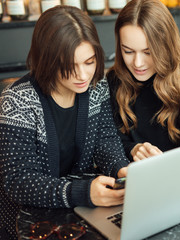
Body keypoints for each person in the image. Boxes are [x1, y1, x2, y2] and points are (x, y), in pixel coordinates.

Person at [0, 6, 130, 239]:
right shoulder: (18, 100)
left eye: (89, 62)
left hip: (79, 212)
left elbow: (105, 140)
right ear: (47, 60)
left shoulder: (96, 86)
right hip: (29, 220)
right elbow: (18, 181)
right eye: (69, 66)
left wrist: (121, 170)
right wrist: (81, 193)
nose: (82, 75)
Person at [107, 0, 180, 162]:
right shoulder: (116, 79)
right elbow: (108, 140)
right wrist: (133, 149)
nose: (137, 63)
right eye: (128, 51)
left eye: (148, 52)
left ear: (166, 46)